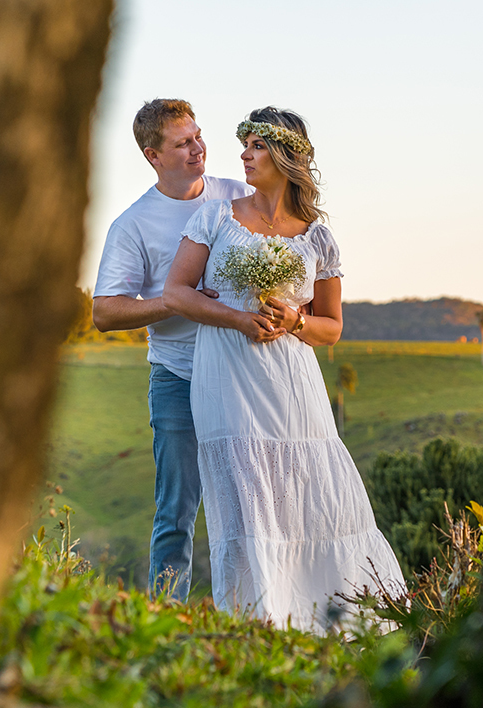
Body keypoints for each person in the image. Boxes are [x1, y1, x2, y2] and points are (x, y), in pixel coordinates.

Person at [163, 106, 405, 632]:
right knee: (248, 497)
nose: (244, 156)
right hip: (226, 371)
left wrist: (295, 319)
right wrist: (237, 319)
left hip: (292, 380)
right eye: (243, 146)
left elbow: (332, 327)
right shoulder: (216, 216)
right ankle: (258, 625)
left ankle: (329, 621)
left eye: (255, 146)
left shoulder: (318, 236)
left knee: (312, 493)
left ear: (286, 154)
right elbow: (175, 292)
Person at [92, 99, 252, 601]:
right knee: (177, 511)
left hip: (243, 375)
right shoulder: (133, 224)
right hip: (177, 378)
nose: (198, 148)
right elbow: (105, 312)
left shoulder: (237, 196)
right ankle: (166, 617)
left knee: (253, 505)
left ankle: (256, 616)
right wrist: (173, 302)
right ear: (152, 155)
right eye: (182, 143)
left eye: (199, 135)